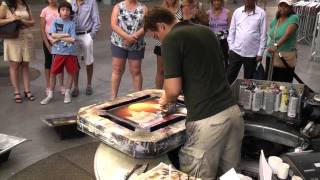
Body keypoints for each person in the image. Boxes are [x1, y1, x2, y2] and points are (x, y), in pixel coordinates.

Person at [144, 7, 244, 179]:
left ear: (161, 26)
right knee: (231, 176)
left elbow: (173, 89)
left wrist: (165, 99)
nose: (158, 39)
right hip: (233, 114)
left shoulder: (171, 40)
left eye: (155, 35)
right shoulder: (206, 31)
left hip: (208, 122)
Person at [40, 1, 79, 105]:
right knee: (53, 73)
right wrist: (65, 35)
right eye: (63, 10)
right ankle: (50, 95)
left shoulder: (71, 24)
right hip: (57, 52)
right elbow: (52, 35)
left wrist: (59, 36)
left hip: (70, 52)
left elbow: (73, 39)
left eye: (67, 10)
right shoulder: (55, 22)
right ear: (59, 11)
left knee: (71, 73)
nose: (65, 12)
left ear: (70, 12)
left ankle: (67, 93)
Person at [110, 0, 147, 100]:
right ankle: (113, 97)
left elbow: (146, 26)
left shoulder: (143, 8)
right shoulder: (118, 7)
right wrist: (127, 37)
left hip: (137, 44)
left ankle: (139, 97)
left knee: (136, 71)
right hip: (119, 43)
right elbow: (114, 25)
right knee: (117, 70)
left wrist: (133, 37)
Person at [0, 0, 35, 103]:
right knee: (14, 65)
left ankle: (27, 90)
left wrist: (23, 21)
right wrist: (12, 19)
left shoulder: (25, 4)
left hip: (26, 37)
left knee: (25, 65)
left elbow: (33, 22)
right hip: (13, 38)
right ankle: (16, 92)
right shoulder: (5, 5)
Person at [227, 0, 267, 84]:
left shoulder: (261, 13)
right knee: (229, 76)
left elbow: (263, 34)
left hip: (252, 54)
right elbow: (232, 31)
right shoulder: (237, 12)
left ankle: (246, 96)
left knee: (248, 80)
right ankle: (226, 95)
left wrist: (260, 52)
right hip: (236, 51)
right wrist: (231, 47)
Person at [71, 0, 100, 97]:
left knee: (89, 61)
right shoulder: (71, 2)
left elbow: (96, 21)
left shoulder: (91, 2)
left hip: (86, 34)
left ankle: (89, 85)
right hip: (73, 36)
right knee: (75, 62)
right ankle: (76, 87)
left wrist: (91, 36)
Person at [266, 0, 298, 82]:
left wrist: (276, 46)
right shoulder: (276, 18)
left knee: (283, 82)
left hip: (284, 56)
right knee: (270, 80)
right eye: (281, 5)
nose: (283, 8)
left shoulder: (294, 18)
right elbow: (272, 31)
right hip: (272, 55)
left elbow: (287, 34)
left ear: (290, 8)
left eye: (286, 6)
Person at [154, 0, 183, 89]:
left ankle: (173, 92)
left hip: (177, 43)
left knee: (176, 70)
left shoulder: (182, 7)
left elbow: (185, 25)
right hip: (161, 43)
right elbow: (155, 30)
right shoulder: (160, 9)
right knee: (161, 70)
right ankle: (157, 93)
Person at [40, 0, 65, 96]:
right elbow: (42, 29)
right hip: (48, 41)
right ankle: (48, 86)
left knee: (60, 63)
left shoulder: (61, 9)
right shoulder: (44, 11)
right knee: (48, 63)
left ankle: (61, 85)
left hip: (60, 40)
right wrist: (47, 43)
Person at [207, 0, 232, 70]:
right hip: (212, 39)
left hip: (224, 39)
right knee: (213, 57)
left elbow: (231, 27)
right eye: (214, 1)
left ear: (221, 2)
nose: (216, 3)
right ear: (212, 2)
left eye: (218, 1)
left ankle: (225, 72)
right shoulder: (208, 13)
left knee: (225, 57)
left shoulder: (227, 12)